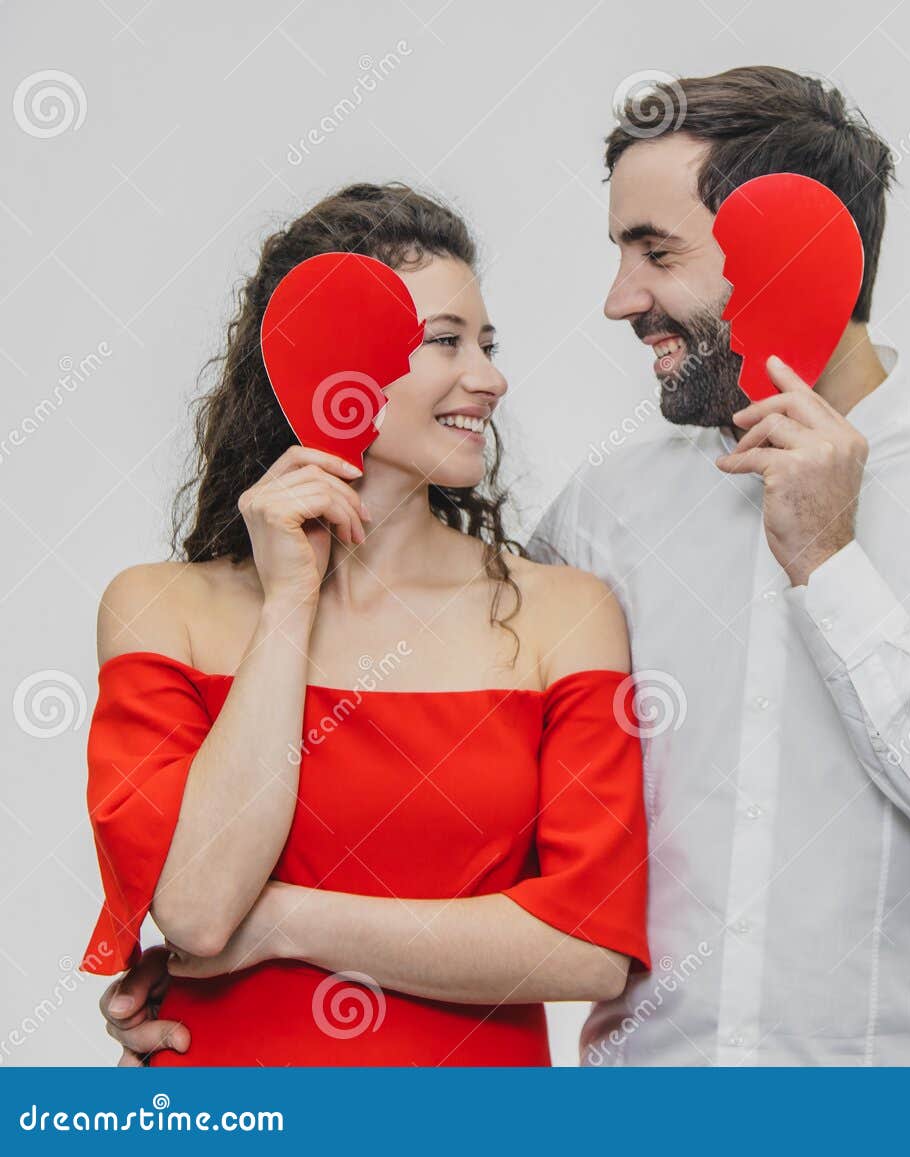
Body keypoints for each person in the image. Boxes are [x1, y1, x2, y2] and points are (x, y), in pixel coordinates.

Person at [103, 66, 910, 1066]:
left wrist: (829, 563)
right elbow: (455, 819)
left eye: (654, 251)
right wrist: (219, 974)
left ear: (793, 245)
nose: (621, 300)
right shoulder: (607, 515)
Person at [82, 183, 649, 1065]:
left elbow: (588, 945)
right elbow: (195, 908)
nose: (490, 377)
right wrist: (289, 604)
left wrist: (279, 921)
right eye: (445, 342)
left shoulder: (561, 615)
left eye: (488, 345)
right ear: (329, 359)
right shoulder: (161, 609)